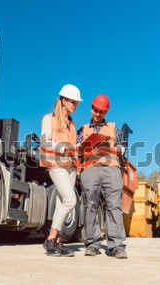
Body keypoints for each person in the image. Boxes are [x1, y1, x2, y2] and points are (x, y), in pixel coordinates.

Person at [77, 94, 128, 259]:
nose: (97, 114)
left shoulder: (114, 128)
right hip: (90, 170)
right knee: (90, 206)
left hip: (111, 169)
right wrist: (80, 146)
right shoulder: (83, 130)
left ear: (106, 112)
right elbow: (76, 150)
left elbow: (122, 149)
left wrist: (108, 147)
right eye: (95, 110)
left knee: (114, 206)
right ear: (91, 108)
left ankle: (117, 245)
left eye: (101, 112)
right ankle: (92, 243)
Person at [39, 84, 82, 257]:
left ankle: (57, 242)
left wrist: (77, 149)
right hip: (56, 165)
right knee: (71, 200)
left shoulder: (72, 125)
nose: (75, 105)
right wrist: (63, 148)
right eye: (73, 101)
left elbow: (72, 147)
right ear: (63, 100)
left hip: (70, 167)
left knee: (61, 204)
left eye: (77, 102)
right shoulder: (49, 119)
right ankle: (51, 238)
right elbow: (44, 142)